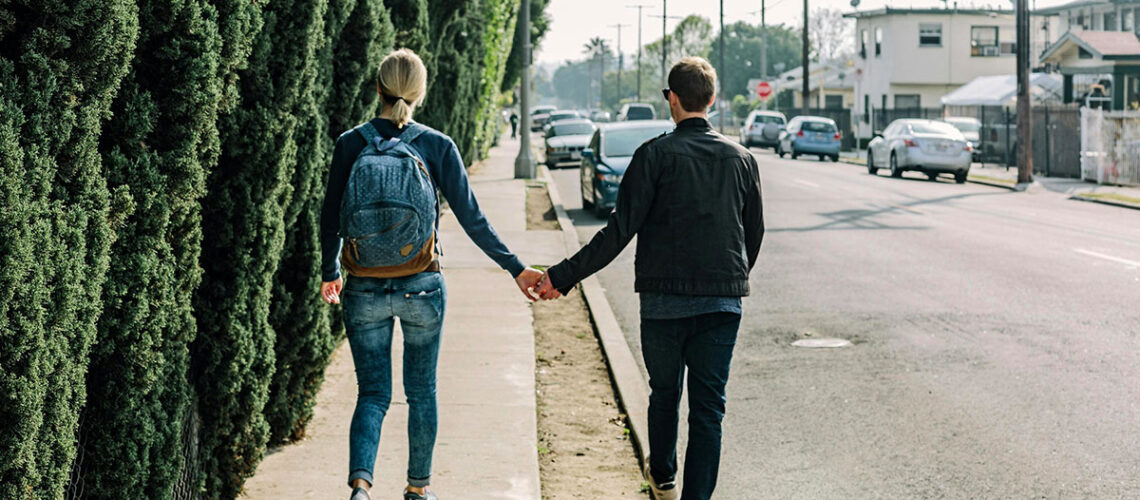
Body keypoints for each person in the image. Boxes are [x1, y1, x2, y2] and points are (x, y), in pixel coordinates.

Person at [530, 57, 765, 500]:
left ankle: (663, 478)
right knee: (709, 411)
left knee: (663, 394)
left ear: (672, 99)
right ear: (711, 100)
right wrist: (729, 280)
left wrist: (561, 277)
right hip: (722, 304)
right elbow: (753, 233)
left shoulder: (653, 156)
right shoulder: (742, 159)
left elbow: (618, 232)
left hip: (662, 304)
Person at [319, 48, 543, 500]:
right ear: (420, 93)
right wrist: (515, 268)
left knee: (373, 394)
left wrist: (330, 270)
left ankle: (361, 489)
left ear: (378, 89)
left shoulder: (350, 143)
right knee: (422, 392)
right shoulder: (437, 145)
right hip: (423, 287)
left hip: (362, 285)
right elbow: (472, 218)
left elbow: (330, 218)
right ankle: (418, 490)